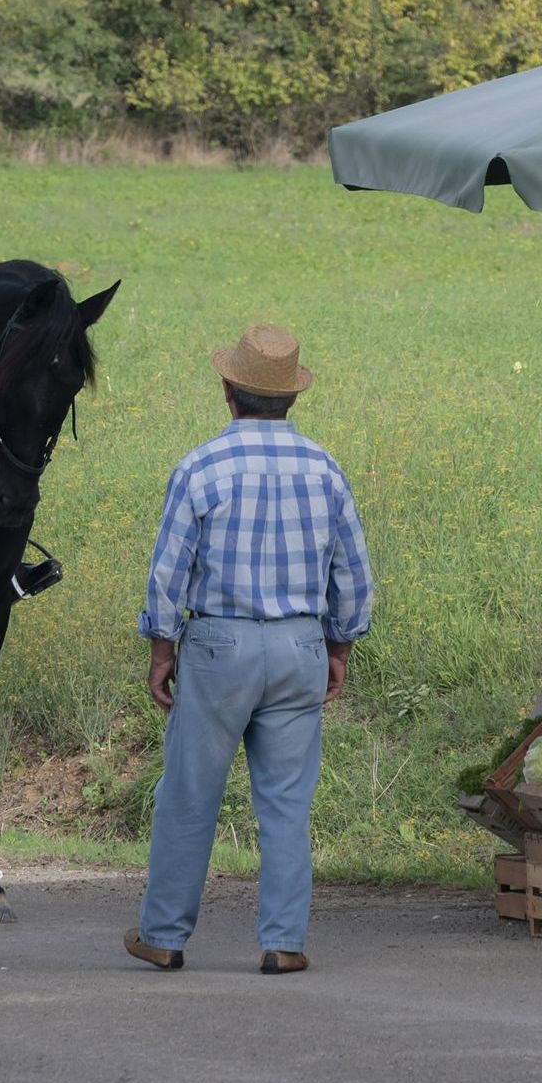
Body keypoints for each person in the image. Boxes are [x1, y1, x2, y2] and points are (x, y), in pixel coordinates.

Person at [127, 325, 373, 976]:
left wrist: (161, 650)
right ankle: (284, 942)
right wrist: (339, 646)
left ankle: (164, 935)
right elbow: (353, 573)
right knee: (287, 804)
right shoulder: (324, 469)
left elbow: (168, 573)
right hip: (300, 643)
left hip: (219, 645)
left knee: (189, 796)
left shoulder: (201, 466)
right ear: (291, 397)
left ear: (228, 390)